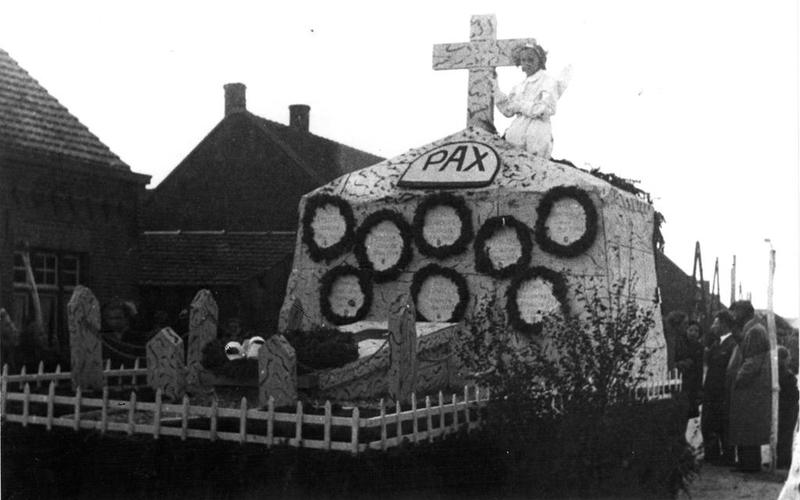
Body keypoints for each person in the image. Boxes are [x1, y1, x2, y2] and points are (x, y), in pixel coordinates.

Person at [494, 43, 568, 158]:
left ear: (540, 61)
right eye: (523, 60)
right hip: (516, 134)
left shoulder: (548, 82)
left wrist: (520, 106)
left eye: (531, 59)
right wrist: (495, 88)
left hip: (537, 132)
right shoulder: (519, 87)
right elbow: (508, 110)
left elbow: (546, 109)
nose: (527, 63)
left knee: (535, 164)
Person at [726, 300, 771, 472]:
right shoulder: (751, 329)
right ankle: (746, 462)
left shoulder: (755, 331)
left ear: (745, 312)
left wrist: (738, 378)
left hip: (749, 388)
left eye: (736, 312)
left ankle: (750, 464)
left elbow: (753, 360)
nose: (734, 316)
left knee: (748, 426)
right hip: (748, 387)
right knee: (745, 425)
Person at [701, 310, 738, 464]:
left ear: (723, 324)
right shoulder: (717, 343)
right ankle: (712, 455)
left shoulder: (732, 345)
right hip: (712, 390)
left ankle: (726, 456)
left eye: (715, 323)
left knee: (722, 423)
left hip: (721, 391)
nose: (713, 326)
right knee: (709, 422)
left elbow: (730, 369)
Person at [676, 320, 704, 419]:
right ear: (686, 330)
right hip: (681, 381)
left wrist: (699, 389)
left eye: (696, 331)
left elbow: (700, 370)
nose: (693, 333)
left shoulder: (700, 347)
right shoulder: (680, 344)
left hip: (693, 384)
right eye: (691, 330)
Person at [777, 346, 798, 468]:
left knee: (782, 434)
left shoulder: (778, 373)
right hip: (787, 408)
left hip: (783, 407)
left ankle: (780, 460)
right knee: (785, 435)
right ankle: (783, 460)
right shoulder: (787, 375)